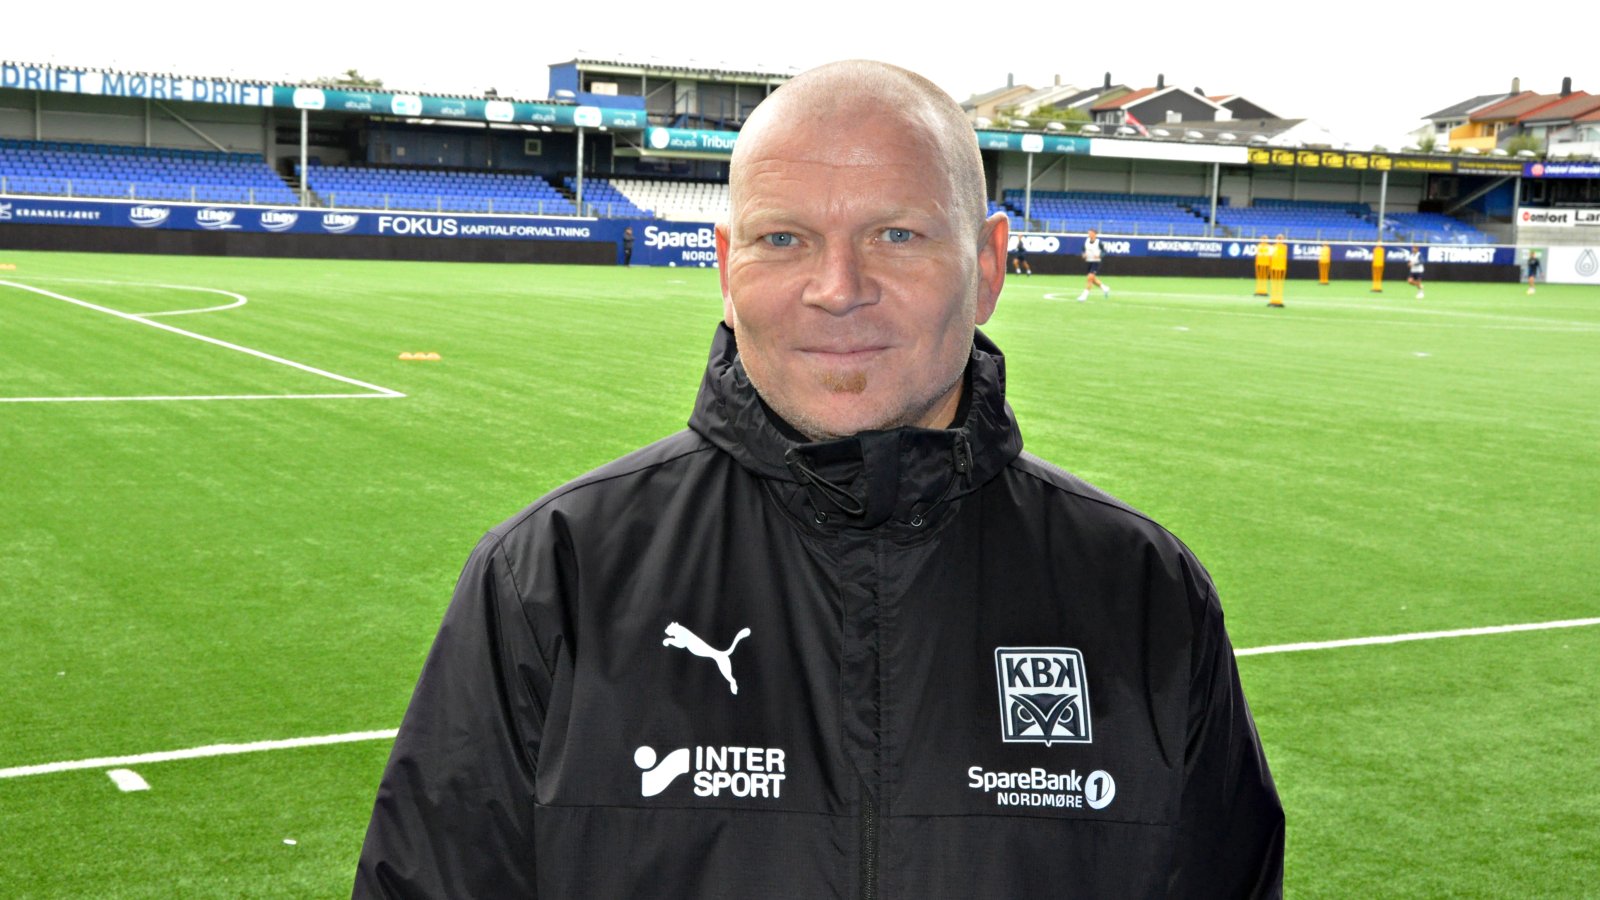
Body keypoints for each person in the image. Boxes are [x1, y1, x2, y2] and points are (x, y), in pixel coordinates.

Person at [354, 59, 1283, 899]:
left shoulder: (1146, 595)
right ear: (726, 269)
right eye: (784, 238)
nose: (838, 288)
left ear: (989, 266)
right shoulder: (548, 580)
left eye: (896, 234)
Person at [1076, 227, 1112, 300]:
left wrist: (1099, 255)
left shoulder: (1099, 242)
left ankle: (1084, 296)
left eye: (1091, 233)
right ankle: (1105, 288)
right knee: (1092, 279)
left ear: (1095, 234)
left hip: (1096, 262)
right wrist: (1084, 255)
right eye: (1089, 233)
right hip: (1089, 261)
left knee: (1089, 278)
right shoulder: (1086, 241)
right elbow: (1083, 250)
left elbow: (1104, 251)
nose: (1089, 234)